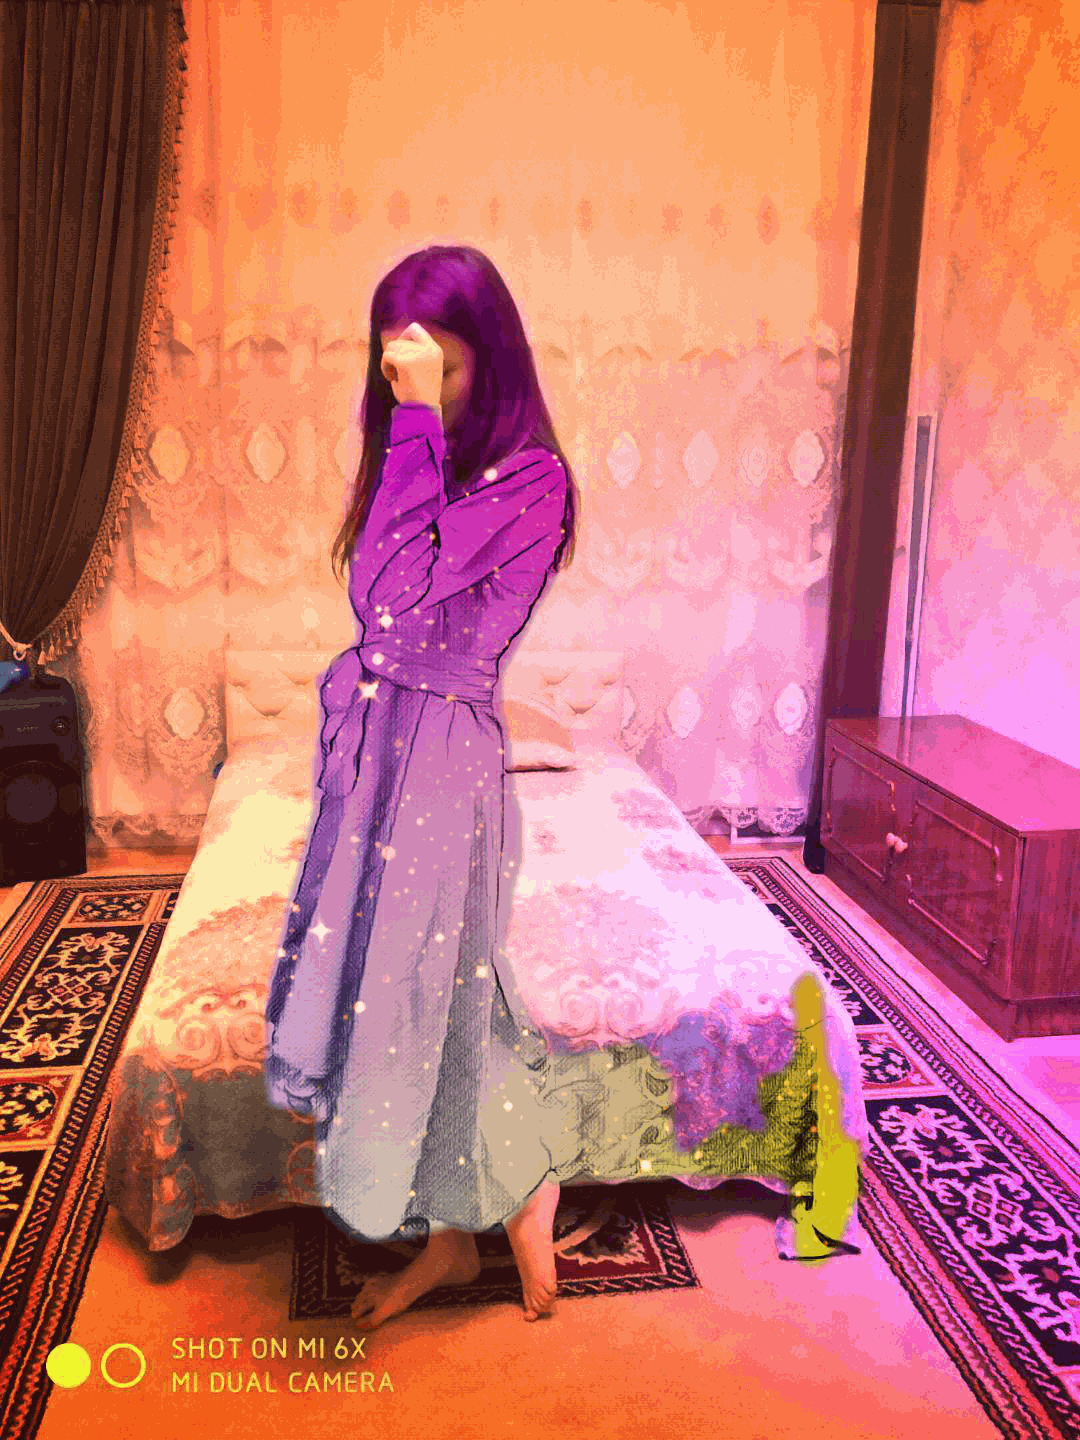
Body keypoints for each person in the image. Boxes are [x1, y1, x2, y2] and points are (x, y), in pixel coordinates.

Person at [263, 245, 580, 1328]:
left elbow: (390, 588)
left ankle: (524, 1190)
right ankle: (455, 1237)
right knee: (393, 984)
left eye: (442, 367)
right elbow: (380, 602)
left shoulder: (532, 479)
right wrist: (413, 427)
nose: (423, 389)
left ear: (490, 360)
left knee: (434, 986)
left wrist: (412, 421)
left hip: (442, 756)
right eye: (403, 370)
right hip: (379, 747)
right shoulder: (422, 461)